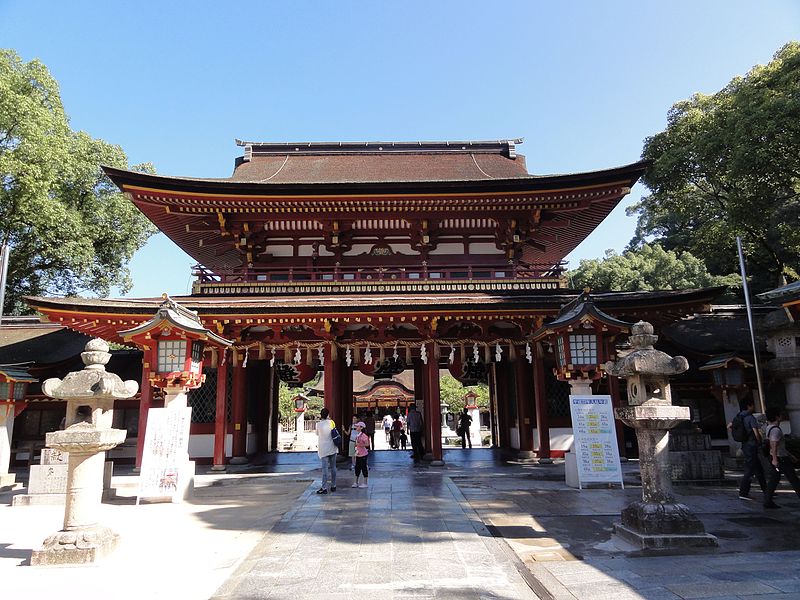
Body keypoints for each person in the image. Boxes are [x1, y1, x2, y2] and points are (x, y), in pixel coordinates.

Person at [762, 407, 800, 509]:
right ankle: (767, 500)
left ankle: (767, 500)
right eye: (780, 415)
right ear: (777, 417)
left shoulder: (769, 428)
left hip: (778, 456)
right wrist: (775, 459)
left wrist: (790, 456)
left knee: (774, 479)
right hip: (780, 458)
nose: (782, 417)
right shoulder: (775, 430)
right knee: (793, 479)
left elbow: (777, 446)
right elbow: (774, 445)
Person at [731, 399, 766, 500]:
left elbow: (730, 426)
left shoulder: (738, 417)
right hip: (752, 445)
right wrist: (760, 441)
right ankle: (743, 492)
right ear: (749, 406)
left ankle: (767, 490)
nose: (753, 407)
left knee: (758, 469)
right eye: (752, 405)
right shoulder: (750, 417)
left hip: (745, 445)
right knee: (750, 470)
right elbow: (756, 432)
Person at [315, 408, 337, 494]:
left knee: (325, 469)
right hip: (332, 447)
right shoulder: (331, 422)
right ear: (328, 414)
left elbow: (317, 433)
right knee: (333, 467)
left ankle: (324, 487)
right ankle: (333, 485)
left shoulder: (318, 424)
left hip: (323, 449)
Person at [351, 421, 370, 489]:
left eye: (358, 426)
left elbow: (367, 444)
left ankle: (365, 483)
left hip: (363, 454)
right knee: (357, 468)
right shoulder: (357, 435)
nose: (356, 427)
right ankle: (356, 482)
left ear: (361, 427)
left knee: (364, 468)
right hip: (358, 454)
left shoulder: (364, 436)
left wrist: (360, 445)